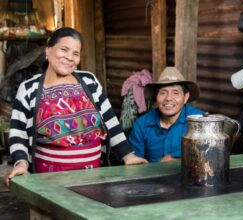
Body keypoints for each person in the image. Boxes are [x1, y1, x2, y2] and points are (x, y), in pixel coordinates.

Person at [4, 27, 146, 187]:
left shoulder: (89, 81)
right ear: (48, 50)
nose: (69, 58)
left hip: (94, 175)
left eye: (75, 53)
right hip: (49, 180)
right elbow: (18, 133)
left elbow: (110, 121)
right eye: (64, 50)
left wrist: (128, 155)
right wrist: (21, 164)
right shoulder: (30, 88)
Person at [128, 66, 204, 163]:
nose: (168, 98)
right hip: (153, 176)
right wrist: (159, 167)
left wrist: (177, 164)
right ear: (156, 96)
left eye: (175, 93)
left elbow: (208, 159)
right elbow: (134, 167)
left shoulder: (200, 121)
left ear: (185, 97)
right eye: (163, 93)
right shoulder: (141, 125)